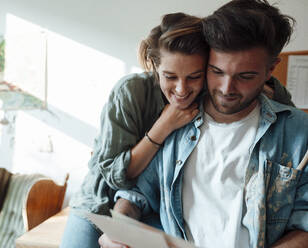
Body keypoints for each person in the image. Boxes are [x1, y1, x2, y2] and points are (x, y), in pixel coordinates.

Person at [61, 8, 294, 248]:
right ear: (155, 67)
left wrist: (261, 88)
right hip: (101, 199)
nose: (182, 90)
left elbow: (288, 114)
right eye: (170, 77)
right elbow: (115, 177)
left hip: (157, 206)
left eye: (194, 76)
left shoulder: (212, 94)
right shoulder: (131, 92)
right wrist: (164, 125)